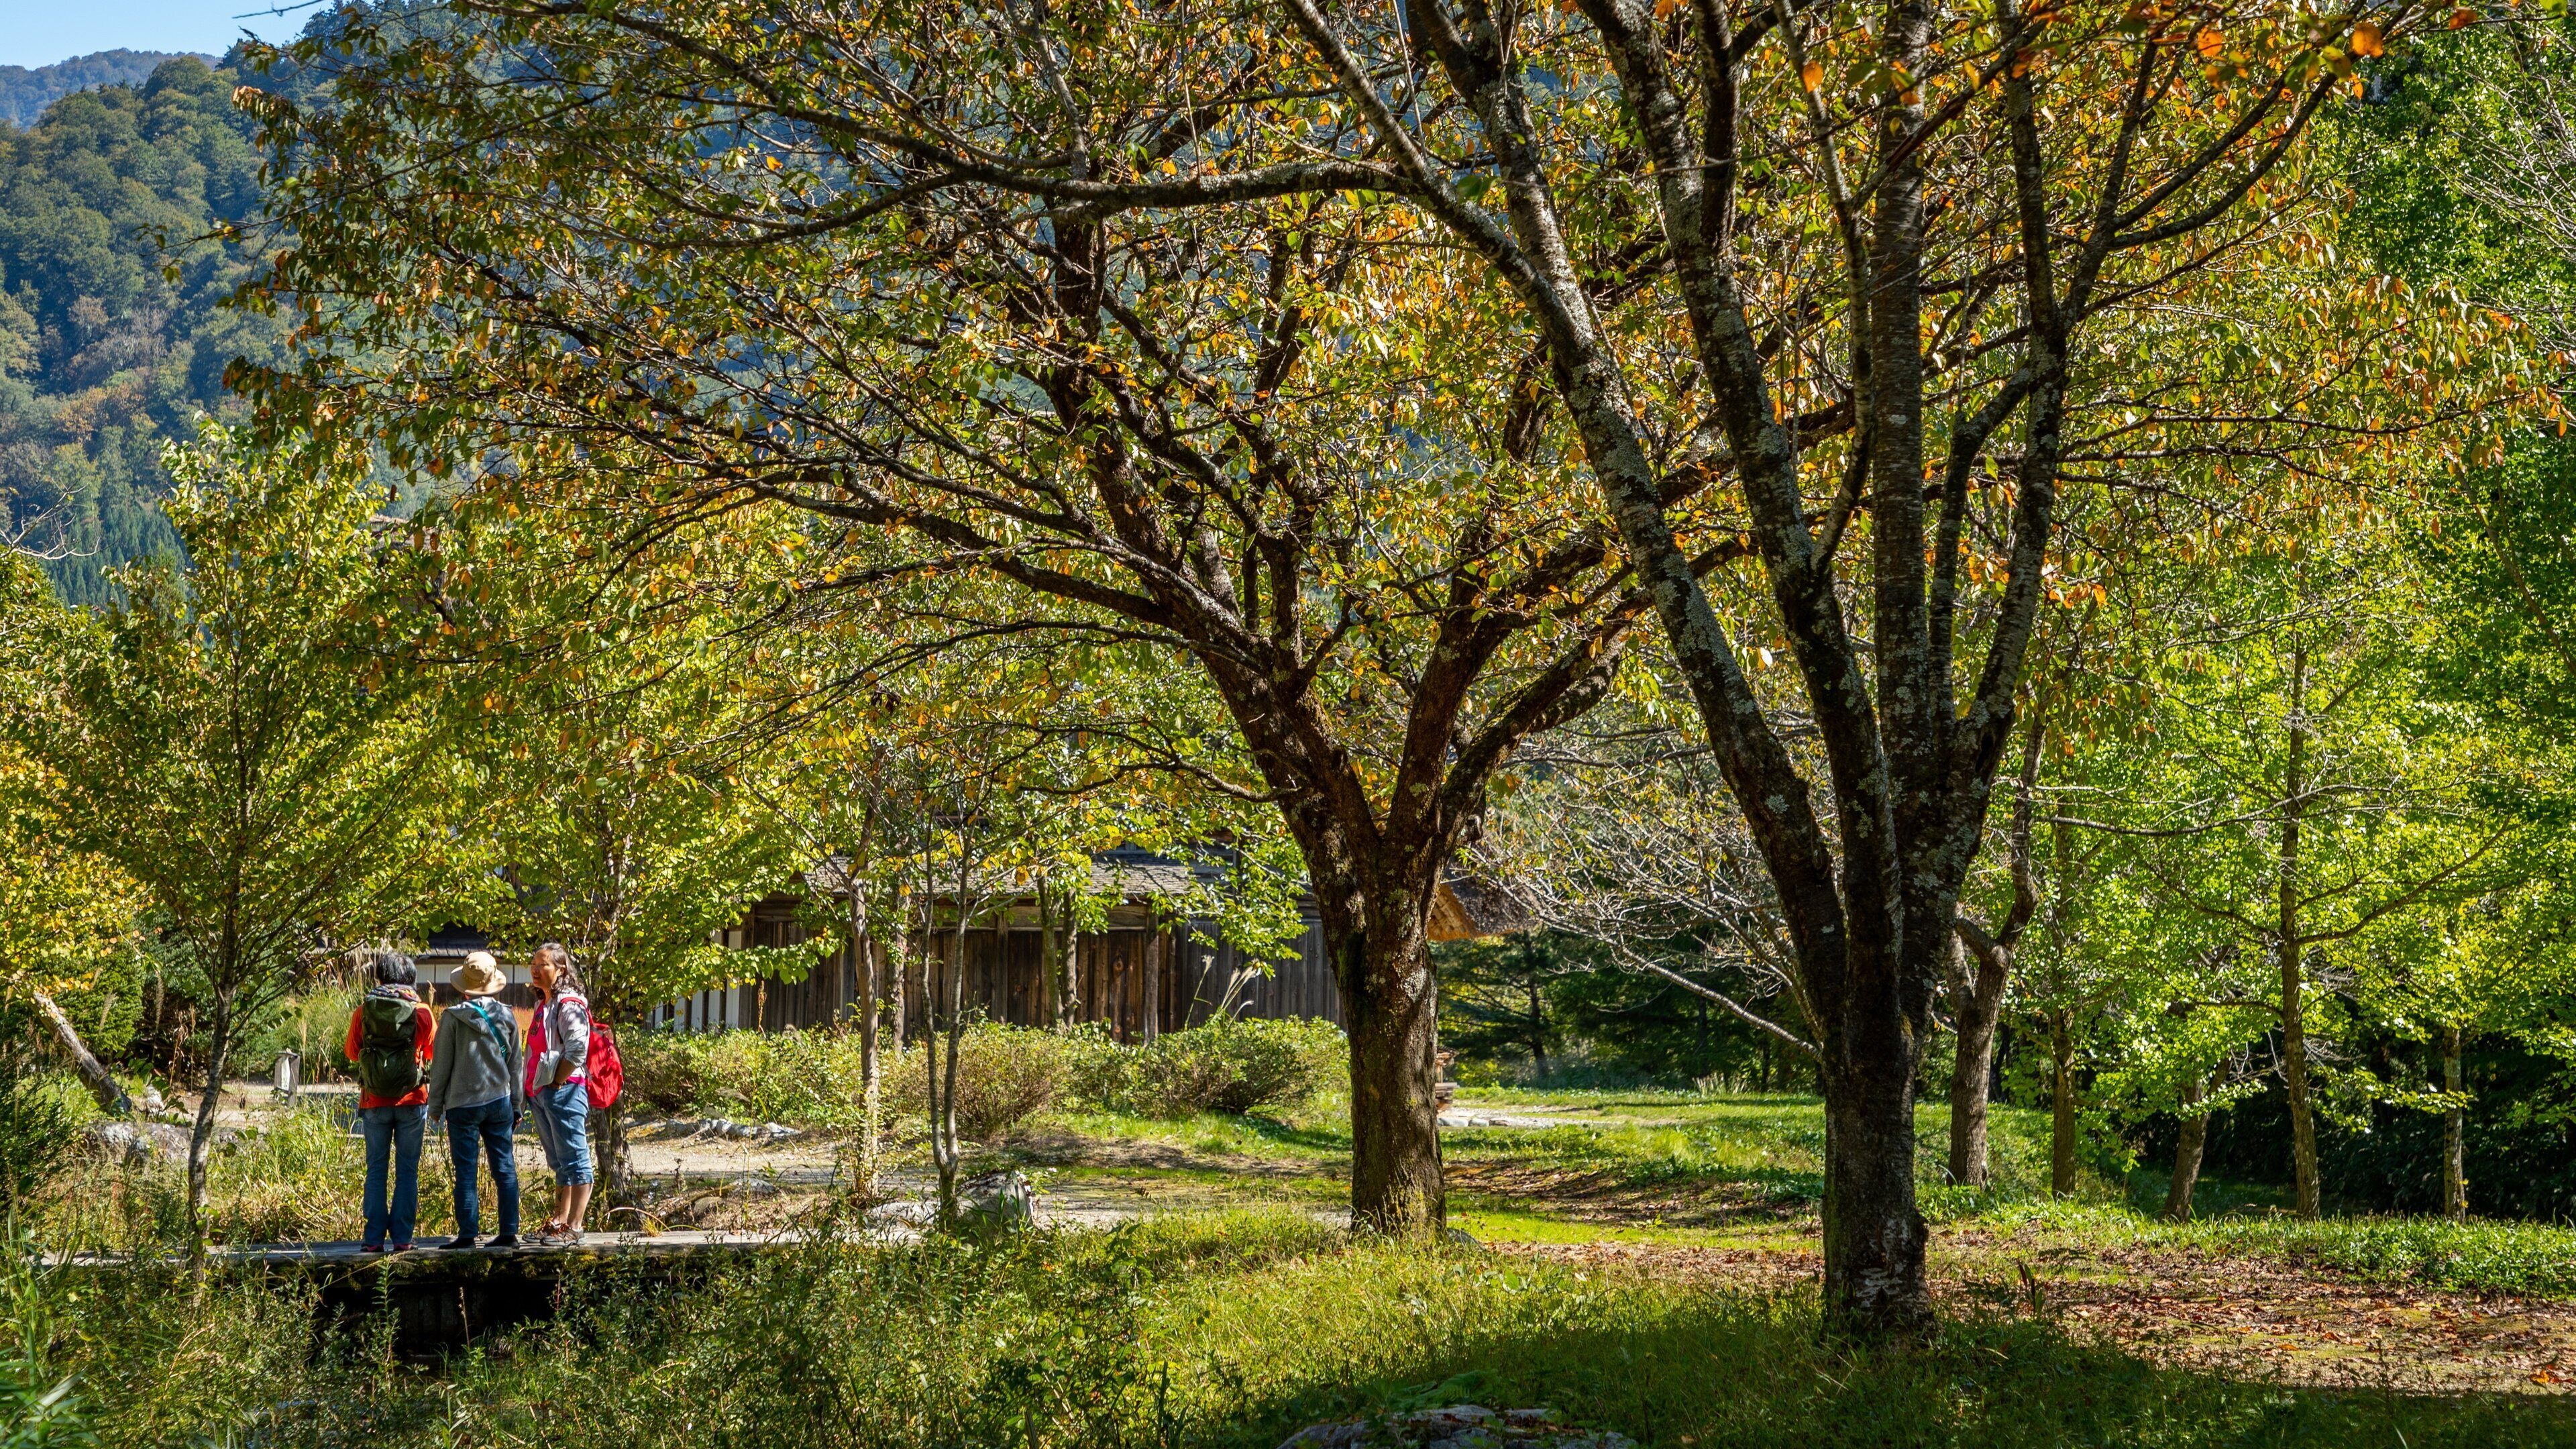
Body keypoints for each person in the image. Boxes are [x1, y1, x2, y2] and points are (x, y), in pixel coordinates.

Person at [425, 949, 523, 1250]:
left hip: (462, 1105)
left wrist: (435, 1106)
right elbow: (516, 1065)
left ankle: (467, 1234)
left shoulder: (452, 1018)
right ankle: (508, 1233)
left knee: (465, 1171)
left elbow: (441, 1066)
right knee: (504, 1167)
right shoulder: (507, 1016)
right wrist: (518, 1104)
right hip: (499, 1101)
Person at [345, 951, 434, 1252]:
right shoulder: (422, 1012)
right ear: (410, 978)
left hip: (374, 1102)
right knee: (408, 1169)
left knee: (376, 1169)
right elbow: (433, 1053)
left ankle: (372, 1241)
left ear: (379, 977)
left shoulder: (364, 1010)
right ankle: (402, 1239)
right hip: (413, 1100)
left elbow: (351, 1052)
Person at [524, 941, 594, 1244]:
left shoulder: (569, 1003)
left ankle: (574, 1227)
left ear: (561, 969)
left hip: (565, 1089)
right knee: (559, 1161)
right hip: (544, 1091)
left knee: (576, 1158)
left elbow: (579, 1047)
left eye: (544, 965)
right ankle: (559, 1221)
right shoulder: (545, 1003)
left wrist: (557, 1080)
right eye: (534, 965)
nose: (536, 970)